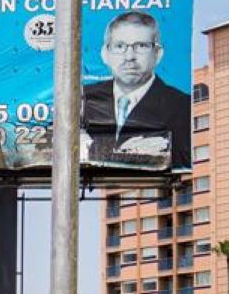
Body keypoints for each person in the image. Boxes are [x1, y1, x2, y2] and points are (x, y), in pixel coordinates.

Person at [81, 10, 190, 172]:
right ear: (105, 54)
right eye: (120, 46)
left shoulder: (182, 107)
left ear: (158, 54)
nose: (129, 56)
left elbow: (183, 161)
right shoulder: (83, 99)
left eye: (141, 46)